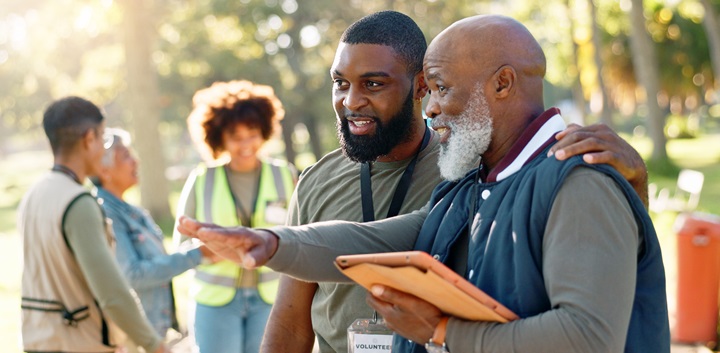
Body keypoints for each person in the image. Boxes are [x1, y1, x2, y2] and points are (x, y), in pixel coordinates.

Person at [179, 14, 670, 353]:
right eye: (429, 90)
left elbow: (587, 337)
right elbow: (372, 241)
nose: (429, 106)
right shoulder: (474, 185)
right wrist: (266, 243)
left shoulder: (577, 179)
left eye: (439, 87)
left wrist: (441, 330)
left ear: (502, 84)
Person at [18, 97, 168, 353]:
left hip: (39, 338)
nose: (103, 148)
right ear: (89, 139)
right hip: (80, 342)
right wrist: (154, 344)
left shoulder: (34, 193)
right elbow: (112, 292)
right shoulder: (79, 203)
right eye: (103, 139)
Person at [172, 80, 297, 353]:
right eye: (235, 136)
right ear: (219, 138)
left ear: (264, 130)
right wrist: (208, 251)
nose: (245, 144)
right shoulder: (202, 179)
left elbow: (301, 233)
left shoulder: (285, 175)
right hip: (216, 303)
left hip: (272, 299)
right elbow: (180, 244)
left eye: (252, 133)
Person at [91, 127, 215, 351]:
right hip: (133, 336)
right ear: (104, 170)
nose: (135, 161)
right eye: (126, 156)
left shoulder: (132, 211)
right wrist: (198, 254)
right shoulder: (106, 213)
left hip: (154, 328)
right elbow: (133, 274)